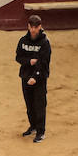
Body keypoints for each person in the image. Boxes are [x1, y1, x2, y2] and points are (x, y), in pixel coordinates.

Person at [15, 14, 50, 143]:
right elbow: (18, 57)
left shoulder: (45, 43)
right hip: (25, 76)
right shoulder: (23, 41)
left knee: (39, 105)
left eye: (36, 27)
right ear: (28, 26)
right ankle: (33, 126)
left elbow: (44, 63)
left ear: (40, 27)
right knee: (29, 105)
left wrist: (35, 77)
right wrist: (29, 62)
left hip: (39, 79)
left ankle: (41, 132)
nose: (34, 30)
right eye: (31, 27)